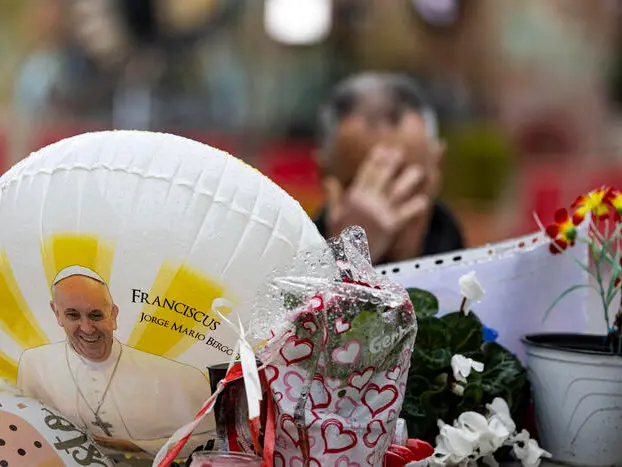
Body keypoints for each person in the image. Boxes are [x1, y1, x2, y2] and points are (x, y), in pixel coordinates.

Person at [17, 266, 214, 458]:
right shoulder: (34, 364)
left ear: (113, 315)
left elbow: (213, 439)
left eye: (96, 315)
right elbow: (29, 430)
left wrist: (138, 447)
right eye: (73, 315)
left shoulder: (179, 377)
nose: (86, 328)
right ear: (56, 313)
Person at [314, 72, 464, 264]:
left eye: (410, 187)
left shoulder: (468, 265)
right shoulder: (288, 262)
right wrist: (347, 261)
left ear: (438, 165)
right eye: (362, 187)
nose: (386, 220)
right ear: (325, 173)